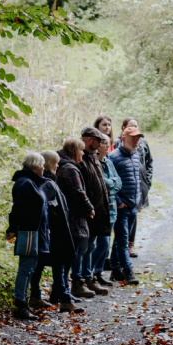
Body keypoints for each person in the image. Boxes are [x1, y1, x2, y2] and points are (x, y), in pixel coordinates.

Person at [27, 150, 83, 314]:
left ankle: (37, 296)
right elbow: (49, 208)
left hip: (50, 231)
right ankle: (64, 300)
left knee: (41, 265)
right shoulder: (47, 183)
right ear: (50, 164)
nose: (58, 166)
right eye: (56, 163)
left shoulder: (44, 182)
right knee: (58, 265)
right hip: (54, 232)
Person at [6, 152, 50, 320]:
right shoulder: (26, 184)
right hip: (28, 232)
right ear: (36, 166)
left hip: (34, 232)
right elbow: (17, 210)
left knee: (29, 267)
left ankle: (22, 302)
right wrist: (12, 229)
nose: (44, 169)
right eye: (42, 165)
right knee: (25, 268)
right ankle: (20, 305)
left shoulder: (31, 182)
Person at [70, 126, 111, 297]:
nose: (101, 144)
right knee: (82, 248)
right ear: (89, 140)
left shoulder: (94, 158)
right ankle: (77, 281)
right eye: (98, 140)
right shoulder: (81, 160)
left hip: (98, 211)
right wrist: (88, 207)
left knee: (91, 247)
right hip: (86, 212)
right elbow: (79, 189)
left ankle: (88, 278)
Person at [55, 139, 93, 306]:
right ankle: (62, 293)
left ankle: (60, 293)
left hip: (69, 216)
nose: (83, 154)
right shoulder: (70, 168)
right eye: (81, 151)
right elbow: (78, 192)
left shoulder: (64, 165)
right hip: (72, 217)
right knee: (69, 256)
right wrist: (90, 207)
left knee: (68, 257)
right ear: (74, 151)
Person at [108, 127, 143, 285]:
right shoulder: (113, 157)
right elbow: (108, 182)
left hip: (133, 205)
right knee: (122, 241)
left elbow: (137, 179)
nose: (136, 142)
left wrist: (138, 198)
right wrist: (117, 201)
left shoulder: (136, 155)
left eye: (138, 139)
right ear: (124, 138)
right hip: (121, 207)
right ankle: (128, 270)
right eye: (133, 138)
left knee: (121, 239)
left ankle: (115, 269)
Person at [114, 117, 153, 257]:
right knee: (121, 233)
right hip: (123, 198)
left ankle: (129, 248)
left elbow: (149, 163)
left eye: (137, 126)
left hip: (137, 191)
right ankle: (125, 266)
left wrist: (147, 182)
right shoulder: (116, 150)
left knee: (132, 220)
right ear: (124, 131)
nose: (136, 141)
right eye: (132, 127)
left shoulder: (140, 148)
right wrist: (119, 200)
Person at [91, 132, 122, 287]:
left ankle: (98, 273)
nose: (108, 146)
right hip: (101, 209)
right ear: (98, 145)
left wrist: (110, 184)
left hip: (112, 209)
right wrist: (111, 183)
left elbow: (118, 183)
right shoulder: (95, 163)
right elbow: (103, 184)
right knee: (101, 243)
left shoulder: (109, 162)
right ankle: (89, 274)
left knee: (106, 244)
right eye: (105, 143)